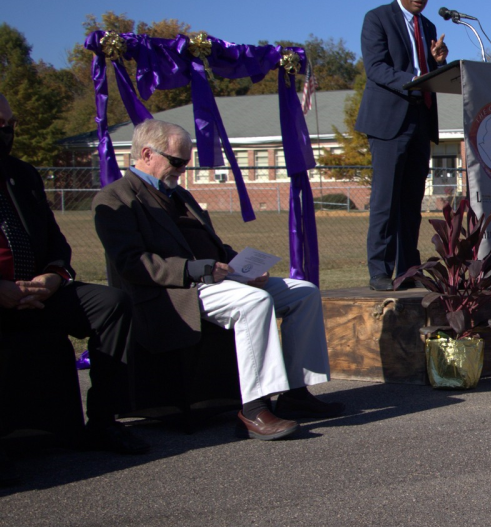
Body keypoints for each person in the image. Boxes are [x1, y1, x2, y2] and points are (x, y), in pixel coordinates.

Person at [92, 120, 342, 441]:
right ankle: (253, 408)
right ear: (146, 154)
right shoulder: (117, 198)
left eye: (186, 163)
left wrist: (244, 267)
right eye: (177, 162)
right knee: (254, 302)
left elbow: (213, 245)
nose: (182, 170)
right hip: (174, 291)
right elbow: (132, 263)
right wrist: (194, 270)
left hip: (215, 279)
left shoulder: (178, 194)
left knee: (304, 293)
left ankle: (295, 392)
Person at [0, 94, 147, 465]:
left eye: (10, 124)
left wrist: (52, 277)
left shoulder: (22, 175)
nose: (6, 132)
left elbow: (55, 241)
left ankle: (103, 420)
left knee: (112, 304)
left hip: (36, 291)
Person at [357, 0, 449, 291]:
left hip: (420, 122)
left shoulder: (428, 26)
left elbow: (427, 69)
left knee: (411, 202)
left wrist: (437, 63)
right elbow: (376, 69)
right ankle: (379, 271)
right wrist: (414, 80)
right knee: (386, 200)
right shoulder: (377, 19)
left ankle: (408, 268)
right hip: (388, 124)